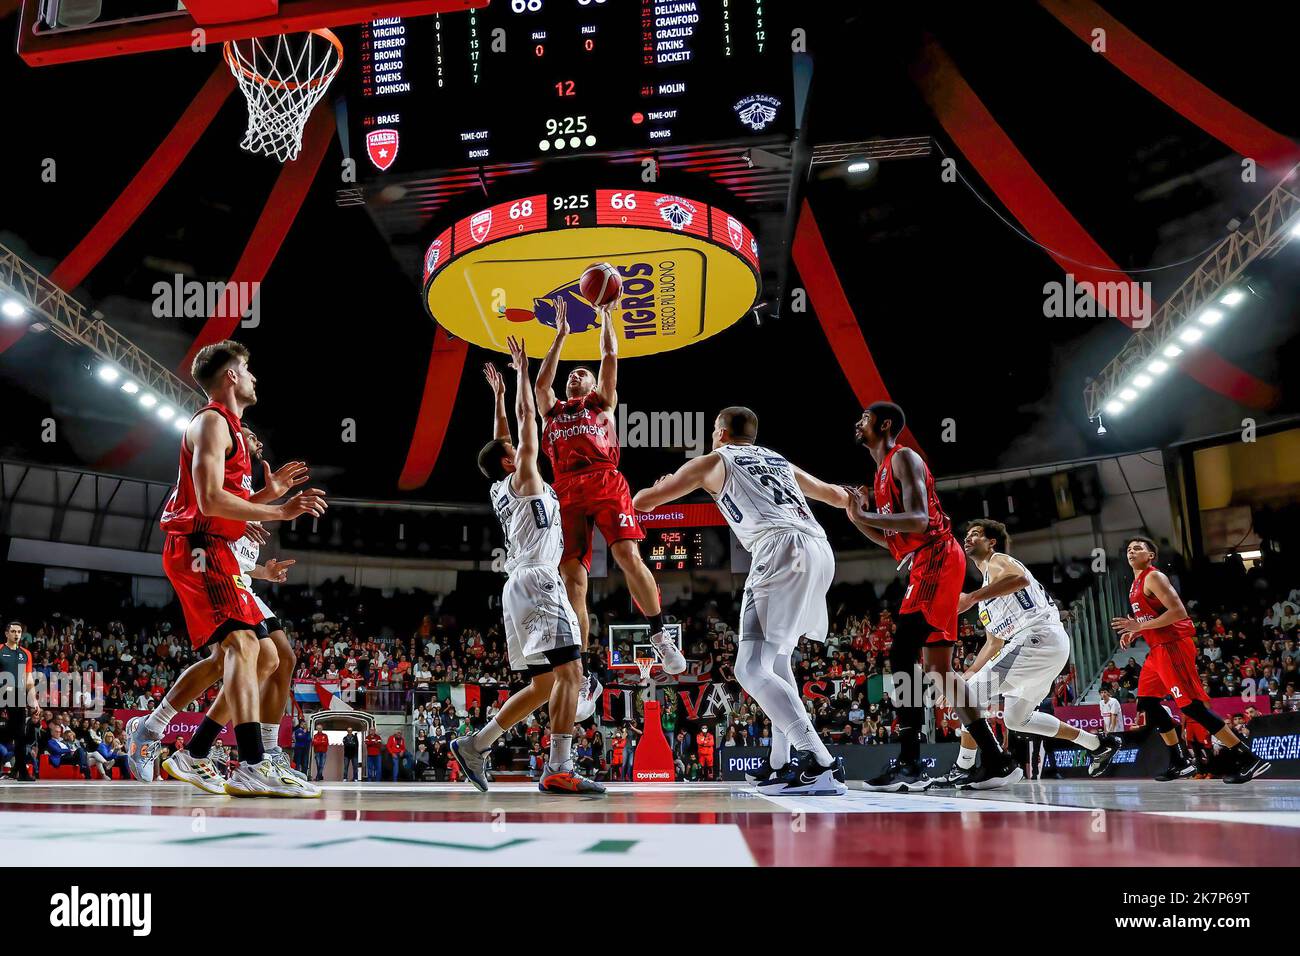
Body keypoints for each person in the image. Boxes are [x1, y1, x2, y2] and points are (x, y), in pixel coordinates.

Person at [632, 406, 849, 795]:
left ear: (720, 433)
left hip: (779, 549)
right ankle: (781, 763)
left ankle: (819, 761)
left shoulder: (714, 461)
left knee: (749, 669)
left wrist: (658, 484)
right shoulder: (779, 460)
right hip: (819, 549)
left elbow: (643, 504)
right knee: (777, 663)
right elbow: (834, 495)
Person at [142, 340, 324, 797]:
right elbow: (207, 502)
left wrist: (270, 495)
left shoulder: (232, 433)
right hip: (199, 546)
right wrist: (280, 511)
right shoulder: (211, 423)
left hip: (216, 546)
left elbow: (227, 505)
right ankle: (250, 761)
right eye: (248, 369)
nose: (254, 377)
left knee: (263, 655)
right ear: (231, 377)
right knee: (244, 647)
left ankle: (198, 752)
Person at [451, 343, 604, 795]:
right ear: (507, 459)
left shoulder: (502, 485)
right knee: (571, 674)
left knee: (543, 684)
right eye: (513, 449)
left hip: (517, 585)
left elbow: (504, 432)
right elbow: (524, 422)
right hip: (538, 579)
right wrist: (522, 374)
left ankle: (477, 744)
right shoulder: (524, 475)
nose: (521, 447)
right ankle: (559, 766)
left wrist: (496, 398)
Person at [845, 402, 1019, 792]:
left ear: (884, 424)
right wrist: (859, 519)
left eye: (865, 419)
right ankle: (997, 760)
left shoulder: (903, 456)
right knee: (940, 670)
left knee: (901, 652)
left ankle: (909, 763)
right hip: (923, 560)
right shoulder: (879, 474)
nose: (858, 423)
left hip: (937, 557)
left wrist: (868, 516)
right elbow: (895, 542)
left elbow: (921, 521)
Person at [534, 295, 686, 674]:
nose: (575, 375)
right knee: (573, 580)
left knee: (627, 557)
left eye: (581, 373)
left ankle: (659, 634)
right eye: (572, 373)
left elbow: (609, 356)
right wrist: (560, 336)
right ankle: (581, 671)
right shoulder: (550, 411)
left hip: (605, 480)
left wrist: (605, 316)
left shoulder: (601, 402)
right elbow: (540, 384)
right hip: (564, 488)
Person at [931, 520, 1122, 787]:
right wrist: (961, 679)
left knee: (971, 695)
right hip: (1042, 646)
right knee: (1016, 718)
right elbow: (993, 644)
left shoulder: (998, 561)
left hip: (1036, 637)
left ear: (991, 542)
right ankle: (1097, 743)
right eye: (968, 535)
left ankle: (963, 767)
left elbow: (1019, 580)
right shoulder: (988, 596)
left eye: (976, 535)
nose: (969, 538)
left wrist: (971, 597)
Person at [1109, 537, 1268, 783]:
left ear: (1150, 555)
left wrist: (1140, 626)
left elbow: (1178, 612)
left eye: (1138, 548)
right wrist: (1137, 630)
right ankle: (1180, 761)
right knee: (1148, 704)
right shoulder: (1135, 583)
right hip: (1157, 649)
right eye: (1129, 548)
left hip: (1172, 646)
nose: (1132, 551)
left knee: (1191, 706)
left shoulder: (1154, 577)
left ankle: (1247, 758)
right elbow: (1151, 618)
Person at [1, 622, 35, 780]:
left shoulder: (26, 653)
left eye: (19, 631)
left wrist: (34, 700)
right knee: (10, 732)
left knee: (20, 734)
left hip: (18, 694)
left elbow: (28, 680)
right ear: (6, 634)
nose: (16, 634)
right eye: (13, 631)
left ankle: (21, 771)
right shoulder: (0, 650)